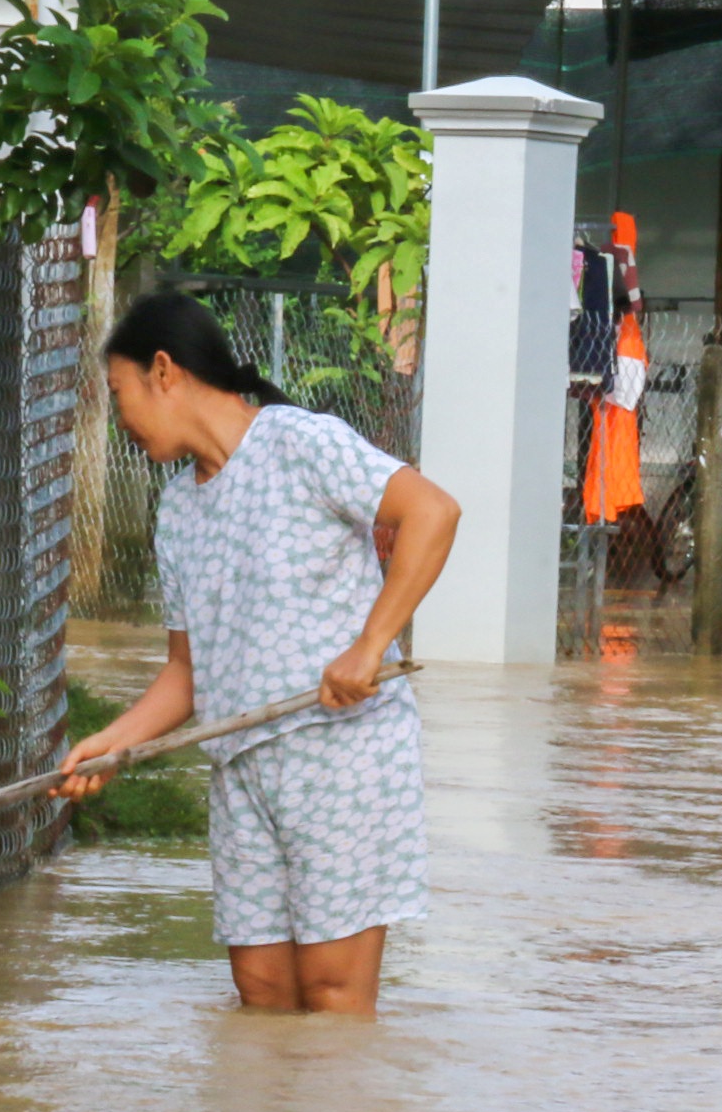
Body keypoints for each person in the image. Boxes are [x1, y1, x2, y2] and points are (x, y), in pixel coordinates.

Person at [57, 292, 461, 1016]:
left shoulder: (301, 443)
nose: (119, 420)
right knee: (263, 995)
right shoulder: (177, 509)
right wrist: (110, 745)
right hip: (241, 769)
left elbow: (432, 512)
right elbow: (187, 675)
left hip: (339, 756)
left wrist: (370, 646)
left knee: (332, 995)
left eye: (119, 396)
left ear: (163, 372)